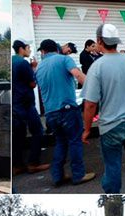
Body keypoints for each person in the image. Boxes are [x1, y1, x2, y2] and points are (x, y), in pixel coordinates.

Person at [82, 24, 125, 194]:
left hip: (111, 126)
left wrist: (86, 129)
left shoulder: (97, 67)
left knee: (113, 166)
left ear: (99, 41)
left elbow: (90, 104)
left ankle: (113, 197)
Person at [35, 38, 95, 187]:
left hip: (50, 114)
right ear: (56, 48)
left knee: (61, 143)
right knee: (75, 141)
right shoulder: (64, 60)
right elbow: (79, 76)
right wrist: (97, 89)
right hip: (67, 110)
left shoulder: (39, 68)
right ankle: (78, 175)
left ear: (43, 51)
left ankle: (58, 176)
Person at [12, 39, 49, 175]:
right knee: (37, 131)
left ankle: (18, 165)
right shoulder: (23, 63)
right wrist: (33, 68)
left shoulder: (12, 61)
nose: (30, 51)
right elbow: (33, 84)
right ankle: (33, 162)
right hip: (26, 104)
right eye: (28, 48)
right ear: (22, 48)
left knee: (18, 136)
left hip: (15, 104)